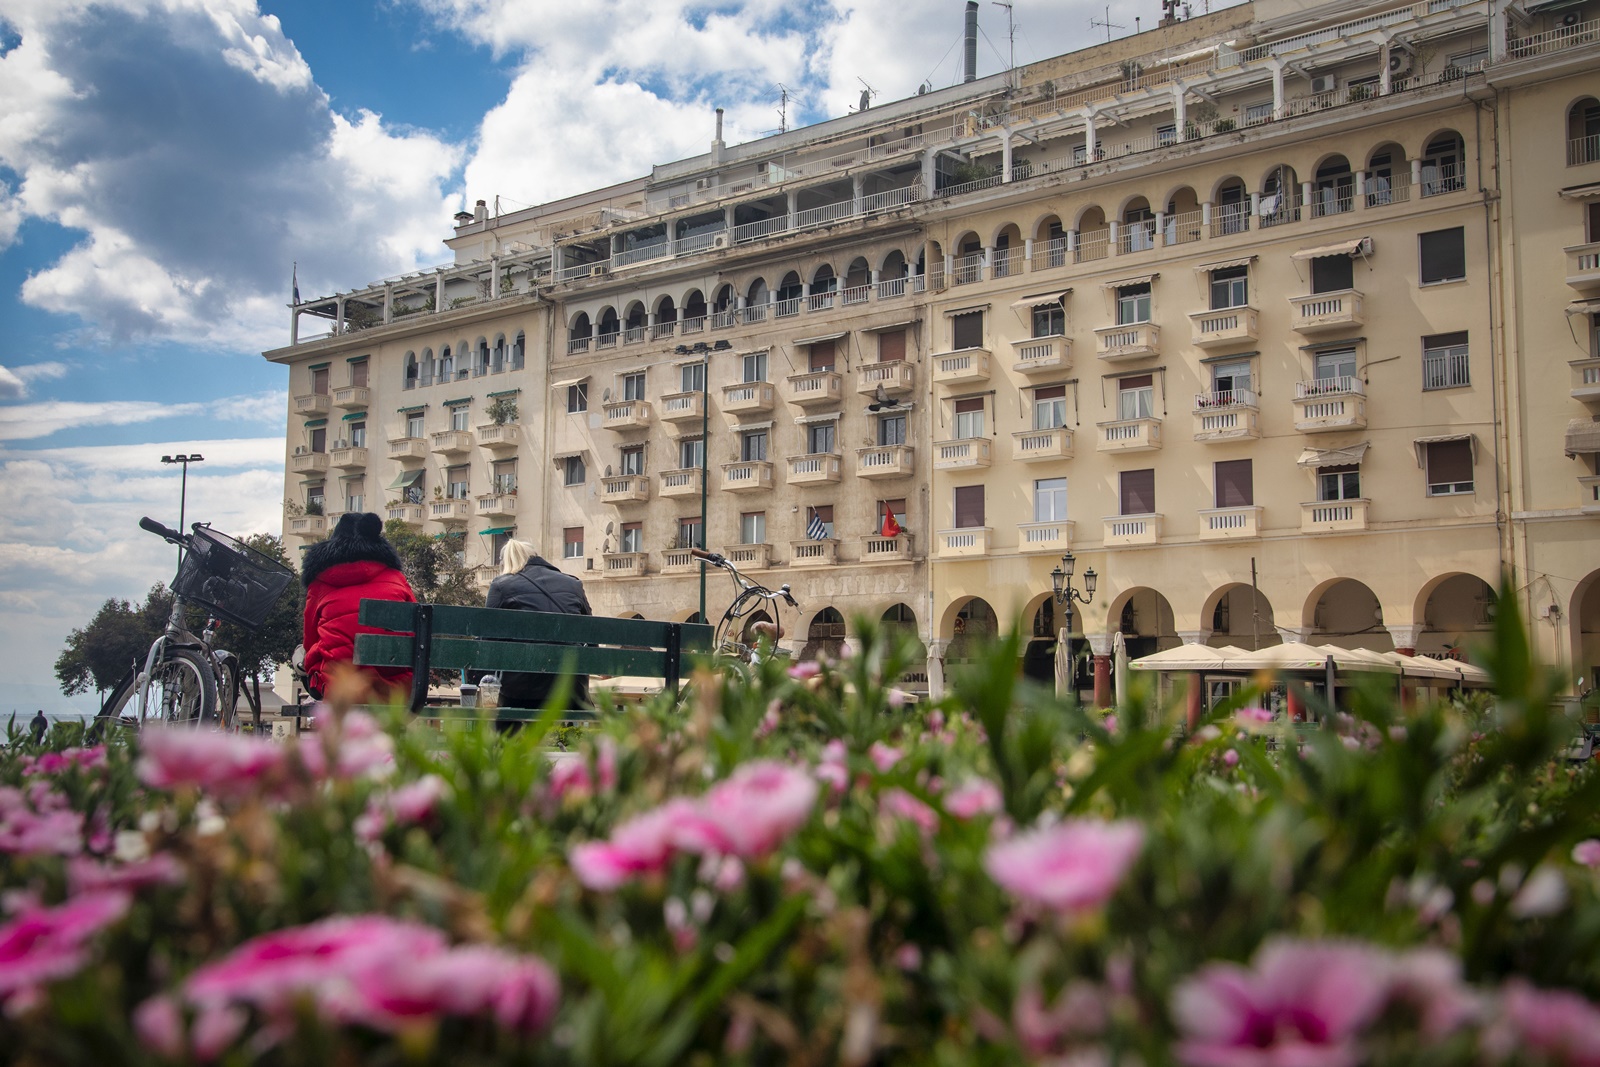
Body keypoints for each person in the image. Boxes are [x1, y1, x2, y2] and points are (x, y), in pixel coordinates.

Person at [301, 513, 416, 701]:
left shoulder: (319, 583)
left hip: (341, 688)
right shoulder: (396, 579)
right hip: (396, 690)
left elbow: (310, 640)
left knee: (302, 654)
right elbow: (415, 629)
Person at [485, 538, 592, 711]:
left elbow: (485, 642)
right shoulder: (574, 584)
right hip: (570, 689)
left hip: (521, 692)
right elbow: (591, 636)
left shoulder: (501, 586)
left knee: (502, 720)